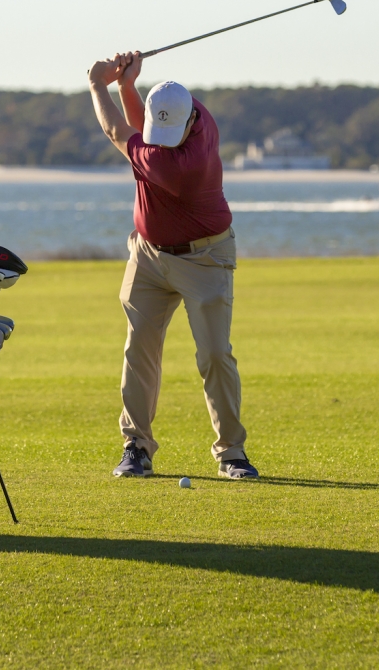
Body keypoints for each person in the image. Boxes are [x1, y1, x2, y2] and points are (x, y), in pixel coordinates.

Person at [88, 50, 258, 480]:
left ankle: (231, 453)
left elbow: (115, 130)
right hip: (148, 254)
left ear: (189, 124)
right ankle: (136, 447)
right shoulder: (192, 110)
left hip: (205, 258)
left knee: (215, 355)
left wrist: (97, 83)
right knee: (139, 348)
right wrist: (128, 87)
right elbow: (140, 127)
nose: (159, 138)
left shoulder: (180, 164)